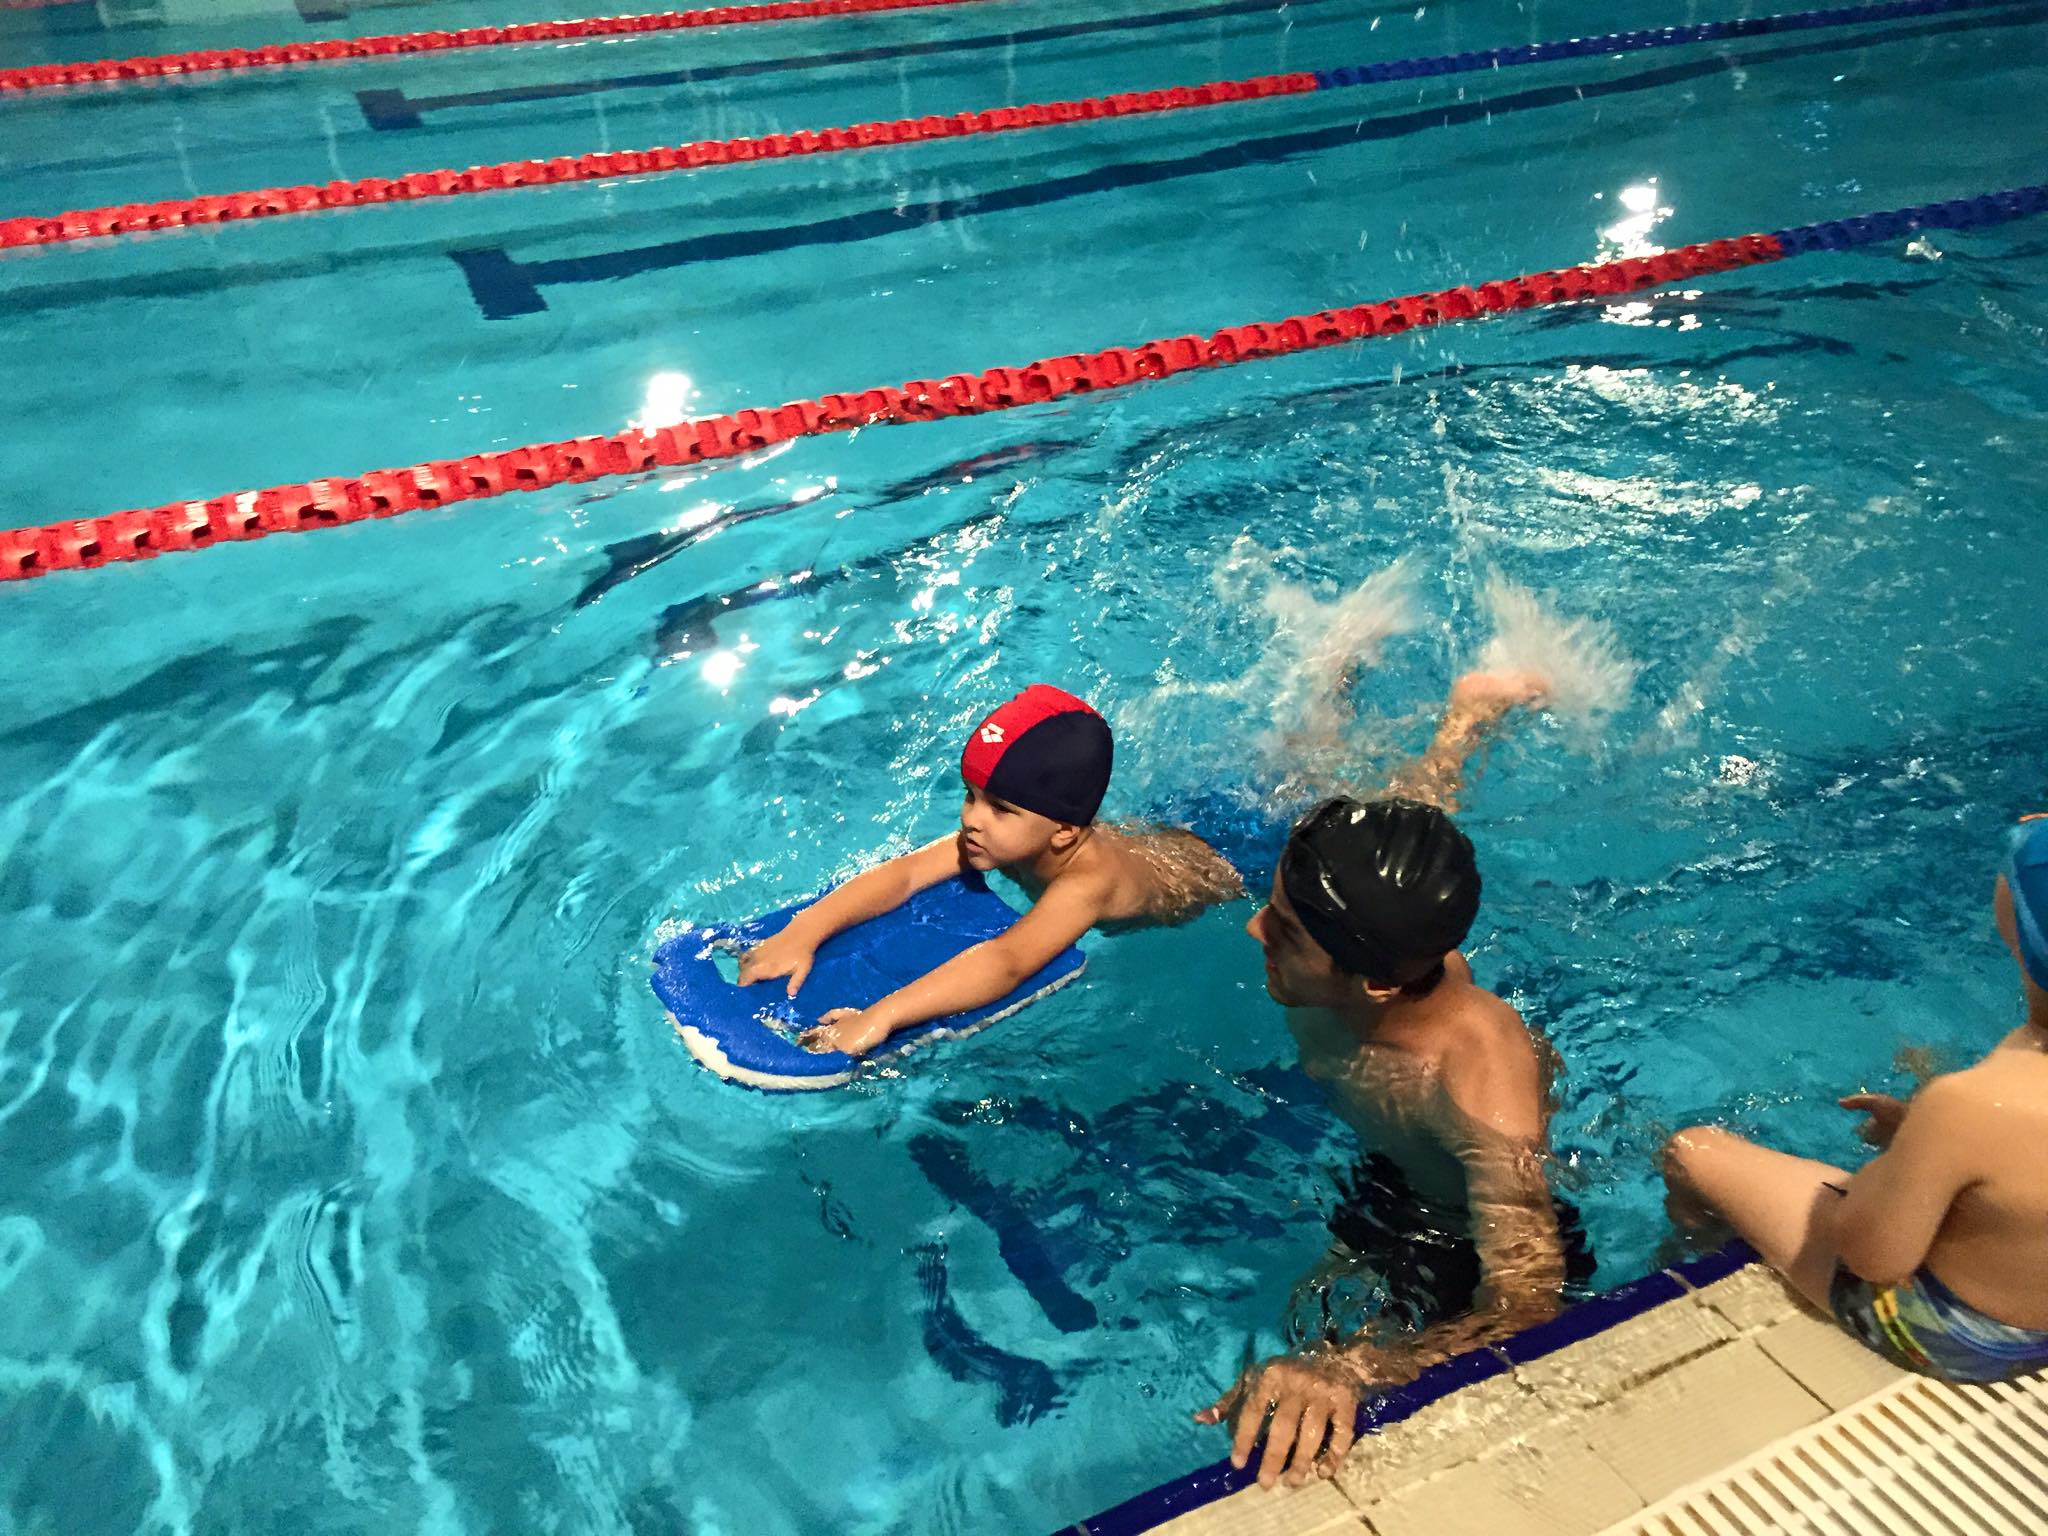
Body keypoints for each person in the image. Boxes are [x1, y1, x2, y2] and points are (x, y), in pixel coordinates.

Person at [1198, 669, 1593, 1489]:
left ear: (1377, 983)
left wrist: (1360, 1369)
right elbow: (1415, 817)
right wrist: (1462, 727)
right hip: (1389, 1166)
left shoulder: (1477, 1093)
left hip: (1452, 1229)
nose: (1254, 930)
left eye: (1286, 931)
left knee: (1311, 1373)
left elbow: (1530, 1304)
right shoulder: (1374, 939)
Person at [1661, 816, 2048, 1384]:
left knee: (1690, 1149)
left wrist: (1899, 1162)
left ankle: (1694, 1247)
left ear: (2017, 929)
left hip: (1964, 1337)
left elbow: (1875, 1256)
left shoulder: (1970, 1104)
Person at [738, 682, 1242, 1056]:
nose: (971, 819)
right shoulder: (1009, 836)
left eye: (1000, 808)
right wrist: (803, 932)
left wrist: (880, 1016)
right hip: (1161, 836)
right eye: (970, 795)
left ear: (1064, 831)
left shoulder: (1089, 882)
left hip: (1231, 868)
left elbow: (1008, 960)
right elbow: (907, 873)